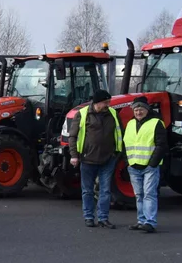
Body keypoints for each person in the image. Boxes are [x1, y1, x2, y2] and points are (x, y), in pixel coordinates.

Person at [68, 89, 122, 229]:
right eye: (106, 102)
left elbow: (120, 133)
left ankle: (103, 218)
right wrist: (74, 155)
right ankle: (89, 217)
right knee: (87, 190)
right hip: (87, 159)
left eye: (108, 102)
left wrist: (116, 153)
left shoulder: (113, 114)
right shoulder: (82, 114)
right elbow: (73, 136)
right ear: (98, 102)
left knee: (105, 190)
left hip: (108, 159)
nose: (108, 105)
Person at [122, 96, 167, 233]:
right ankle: (141, 221)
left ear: (147, 109)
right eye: (136, 109)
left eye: (141, 108)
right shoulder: (130, 124)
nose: (138, 112)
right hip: (134, 166)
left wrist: (152, 163)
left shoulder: (156, 123)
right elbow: (125, 143)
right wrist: (127, 162)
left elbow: (161, 145)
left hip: (149, 167)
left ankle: (150, 222)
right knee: (139, 195)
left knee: (149, 194)